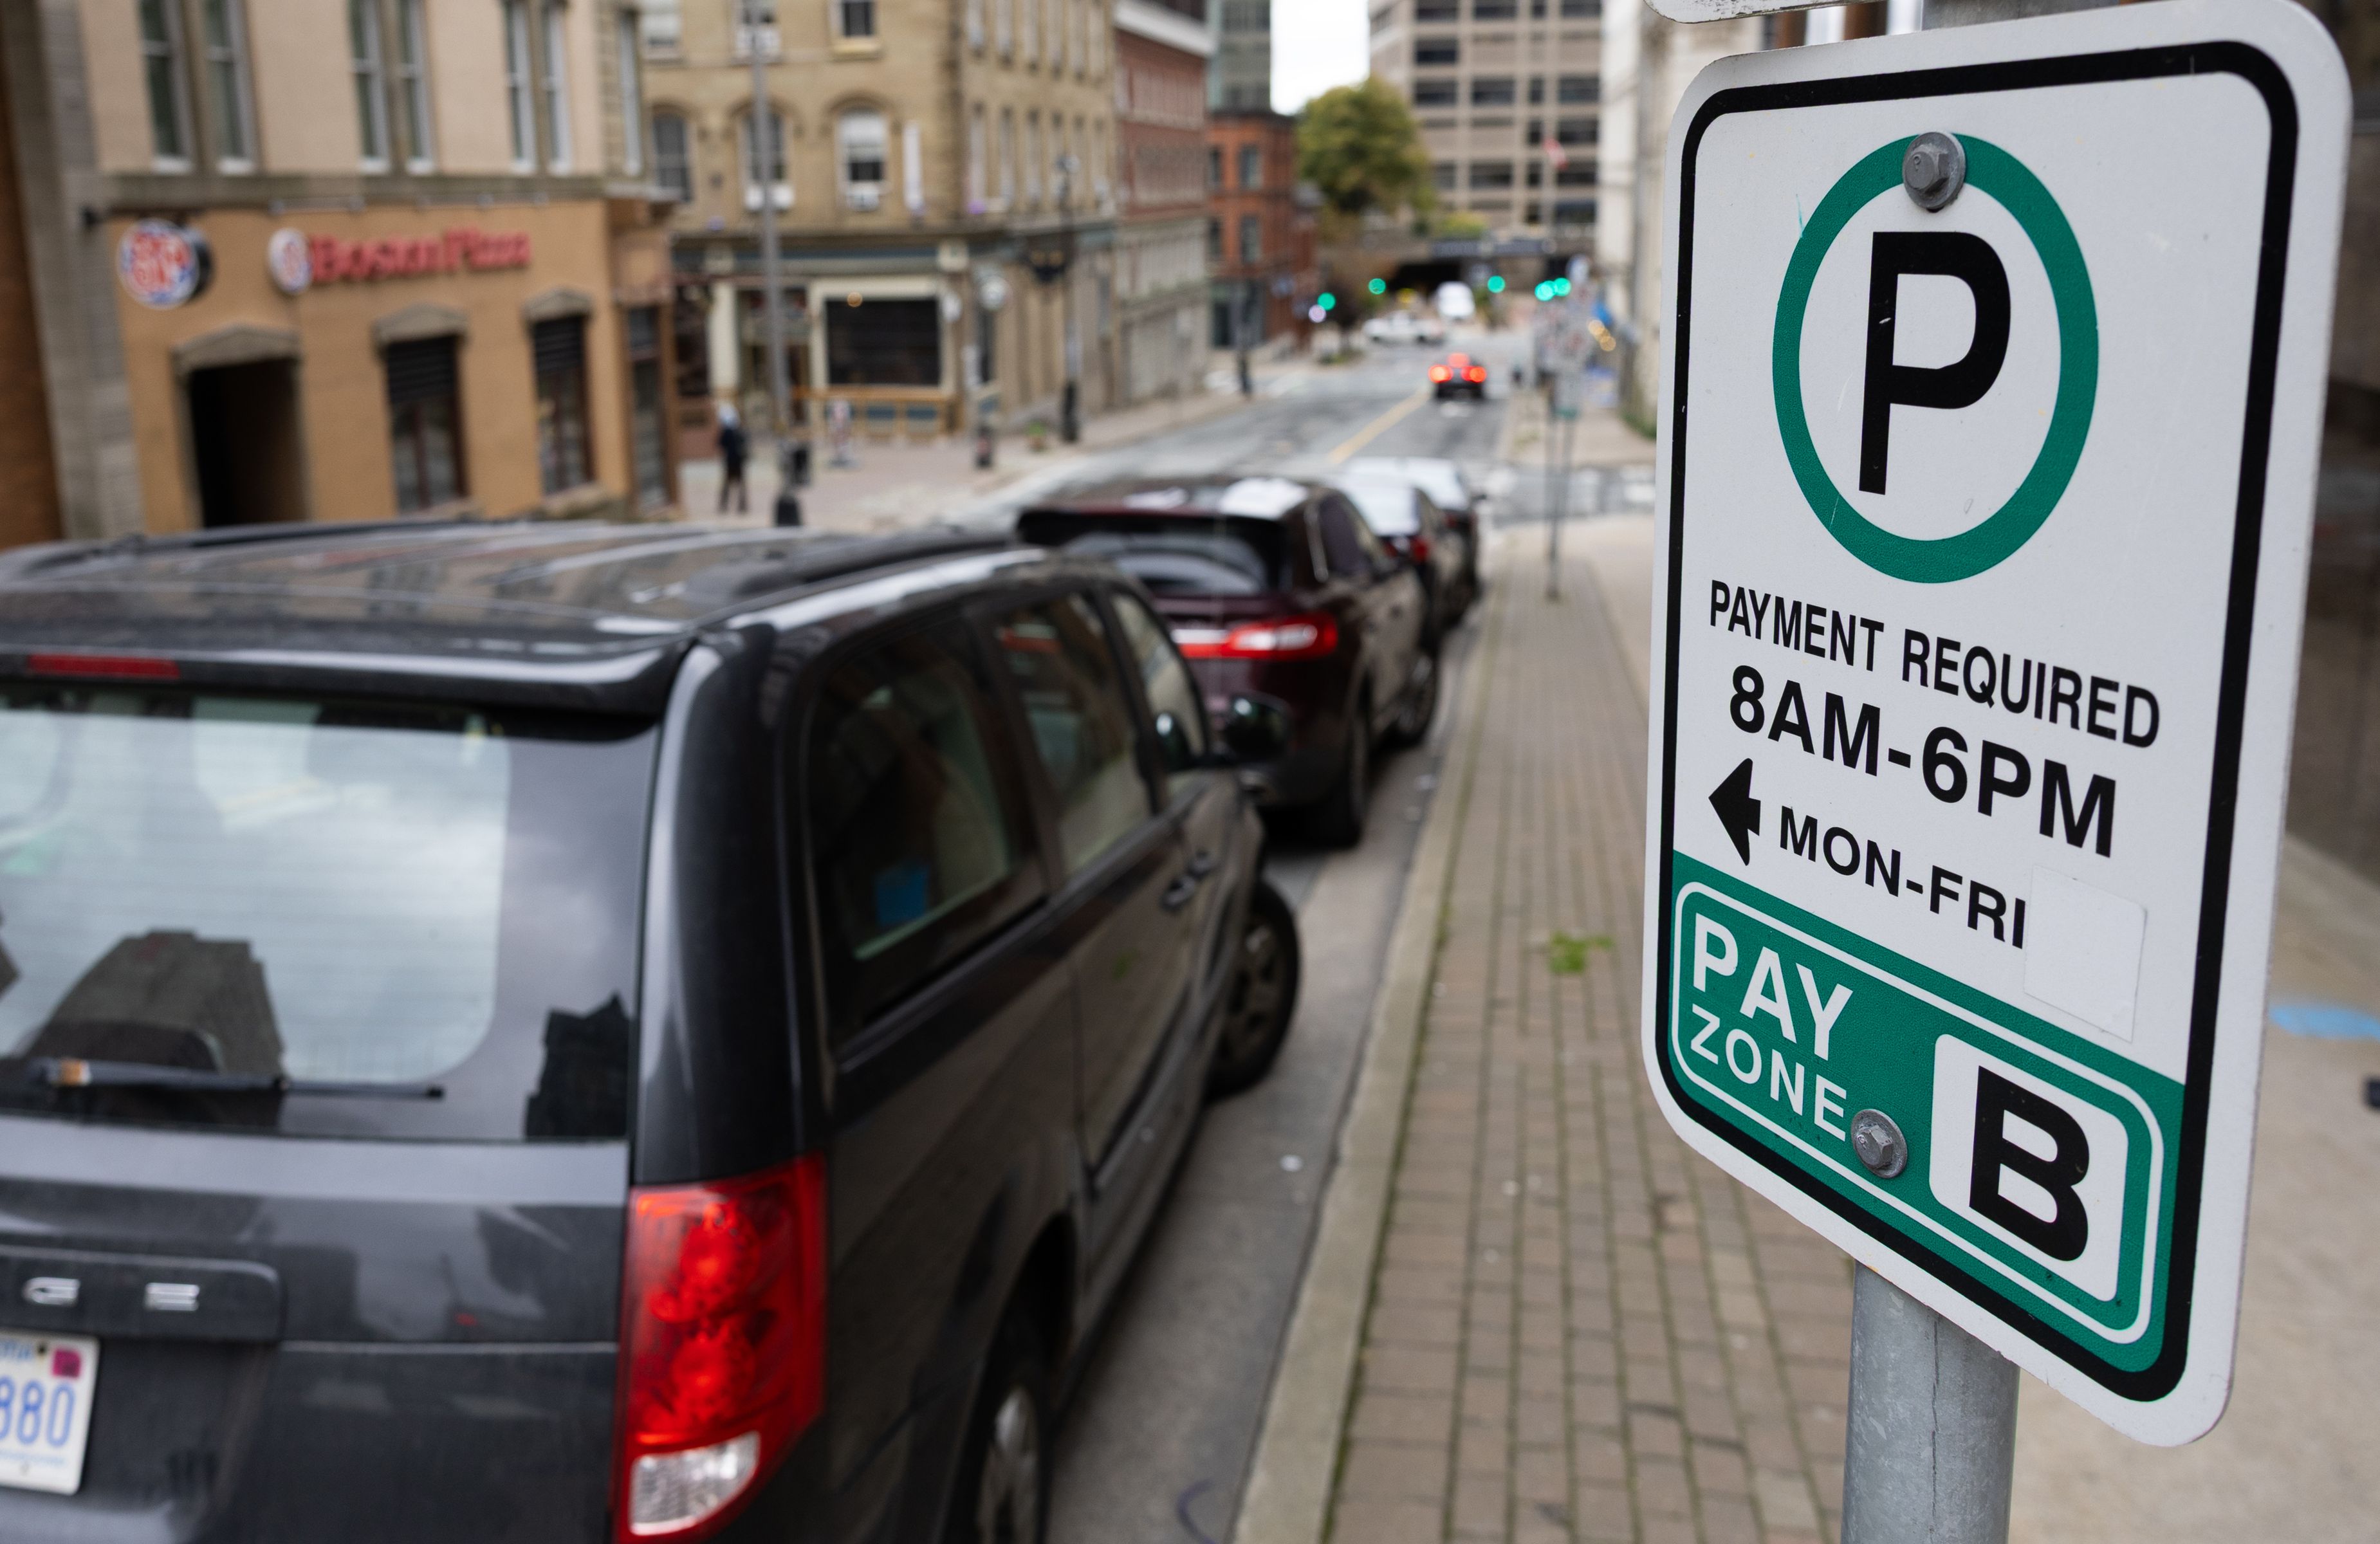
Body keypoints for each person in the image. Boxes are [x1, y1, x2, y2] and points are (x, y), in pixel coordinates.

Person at [716, 404, 748, 514]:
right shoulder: (739, 430)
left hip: (730, 461)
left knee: (727, 485)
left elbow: (721, 444)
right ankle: (742, 505)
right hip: (739, 461)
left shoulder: (727, 432)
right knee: (740, 484)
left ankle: (724, 505)